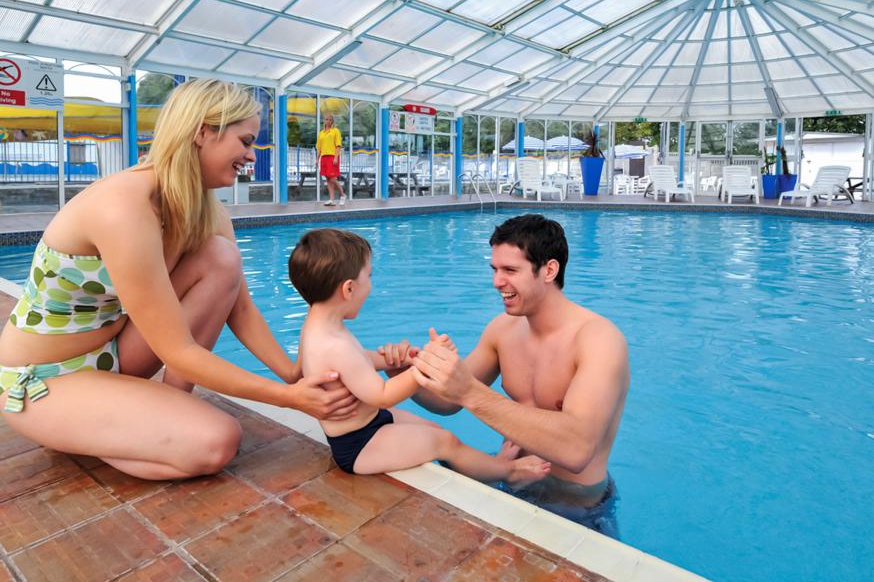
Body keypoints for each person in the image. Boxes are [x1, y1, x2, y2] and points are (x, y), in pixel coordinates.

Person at [0, 79, 407, 481]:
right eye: (245, 141)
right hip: (45, 377)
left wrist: (294, 374)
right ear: (202, 132)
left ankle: (149, 418)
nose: (251, 154)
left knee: (222, 257)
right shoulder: (123, 208)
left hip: (114, 355)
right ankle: (109, 430)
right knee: (216, 442)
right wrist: (289, 400)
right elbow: (176, 348)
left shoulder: (206, 210)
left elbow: (240, 307)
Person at [403, 214, 629, 538]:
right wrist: (409, 375)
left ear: (549, 270)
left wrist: (469, 392)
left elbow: (576, 450)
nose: (497, 281)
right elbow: (447, 400)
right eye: (495, 270)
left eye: (510, 270)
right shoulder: (503, 330)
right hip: (513, 478)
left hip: (577, 507)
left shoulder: (598, 340)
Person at [289, 228, 551, 484]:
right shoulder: (334, 345)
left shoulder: (318, 327)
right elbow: (382, 394)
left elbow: (357, 361)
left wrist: (401, 360)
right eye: (369, 276)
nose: (370, 285)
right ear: (348, 289)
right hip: (359, 444)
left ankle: (480, 470)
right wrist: (422, 368)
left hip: (370, 422)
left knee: (437, 431)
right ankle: (507, 471)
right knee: (444, 442)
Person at [316, 113, 345, 207]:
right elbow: (319, 148)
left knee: (333, 178)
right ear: (324, 121)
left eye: (330, 120)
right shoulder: (321, 133)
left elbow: (338, 145)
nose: (328, 121)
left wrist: (336, 157)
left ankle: (342, 195)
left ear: (332, 121)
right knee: (328, 179)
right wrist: (317, 160)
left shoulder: (335, 131)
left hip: (333, 157)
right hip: (324, 157)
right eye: (326, 119)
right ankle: (332, 199)